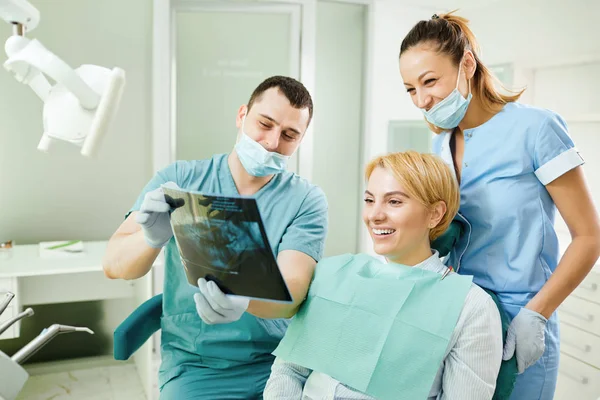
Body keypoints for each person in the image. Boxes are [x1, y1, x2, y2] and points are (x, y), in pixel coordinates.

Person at [398, 11, 600, 400]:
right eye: (409, 89)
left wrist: (536, 315)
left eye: (430, 81)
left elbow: (589, 236)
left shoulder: (536, 129)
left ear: (467, 65)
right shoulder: (441, 145)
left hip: (519, 323)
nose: (422, 100)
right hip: (461, 316)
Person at [102, 76, 328, 399]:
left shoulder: (306, 200)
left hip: (278, 363)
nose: (271, 142)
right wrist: (150, 239)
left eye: (289, 135)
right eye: (265, 124)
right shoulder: (180, 180)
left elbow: (293, 291)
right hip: (196, 366)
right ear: (241, 116)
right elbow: (114, 264)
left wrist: (247, 300)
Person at [263, 151, 503, 400]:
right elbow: (289, 370)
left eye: (394, 202)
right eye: (369, 200)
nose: (374, 215)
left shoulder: (470, 306)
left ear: (435, 214)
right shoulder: (334, 275)